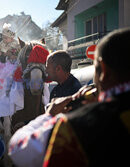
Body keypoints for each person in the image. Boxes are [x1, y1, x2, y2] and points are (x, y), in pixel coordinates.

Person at [42, 27, 130, 167]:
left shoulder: (72, 128)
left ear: (104, 70)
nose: (45, 70)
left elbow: (23, 151)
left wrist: (47, 117)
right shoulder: (56, 90)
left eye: (96, 67)